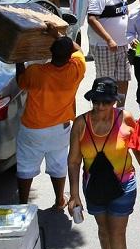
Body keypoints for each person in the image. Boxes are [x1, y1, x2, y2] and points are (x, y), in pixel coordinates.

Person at [68, 77, 140, 249]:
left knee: (117, 232)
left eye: (105, 102)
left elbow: (138, 146)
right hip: (95, 188)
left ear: (114, 102)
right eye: (96, 102)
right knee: (103, 229)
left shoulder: (125, 118)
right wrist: (74, 195)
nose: (99, 107)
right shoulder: (81, 124)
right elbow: (73, 161)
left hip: (123, 186)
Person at [15, 34, 86, 207]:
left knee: (25, 166)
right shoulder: (76, 69)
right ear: (69, 56)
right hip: (60, 130)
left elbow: (20, 82)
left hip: (33, 129)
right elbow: (80, 49)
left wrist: (18, 59)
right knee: (58, 164)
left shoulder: (36, 72)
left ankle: (23, 204)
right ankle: (59, 200)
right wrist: (58, 34)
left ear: (51, 52)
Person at [88, 0, 132, 106]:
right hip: (105, 46)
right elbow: (92, 19)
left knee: (123, 78)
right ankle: (103, 111)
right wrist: (109, 39)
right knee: (105, 82)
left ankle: (120, 110)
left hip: (122, 45)